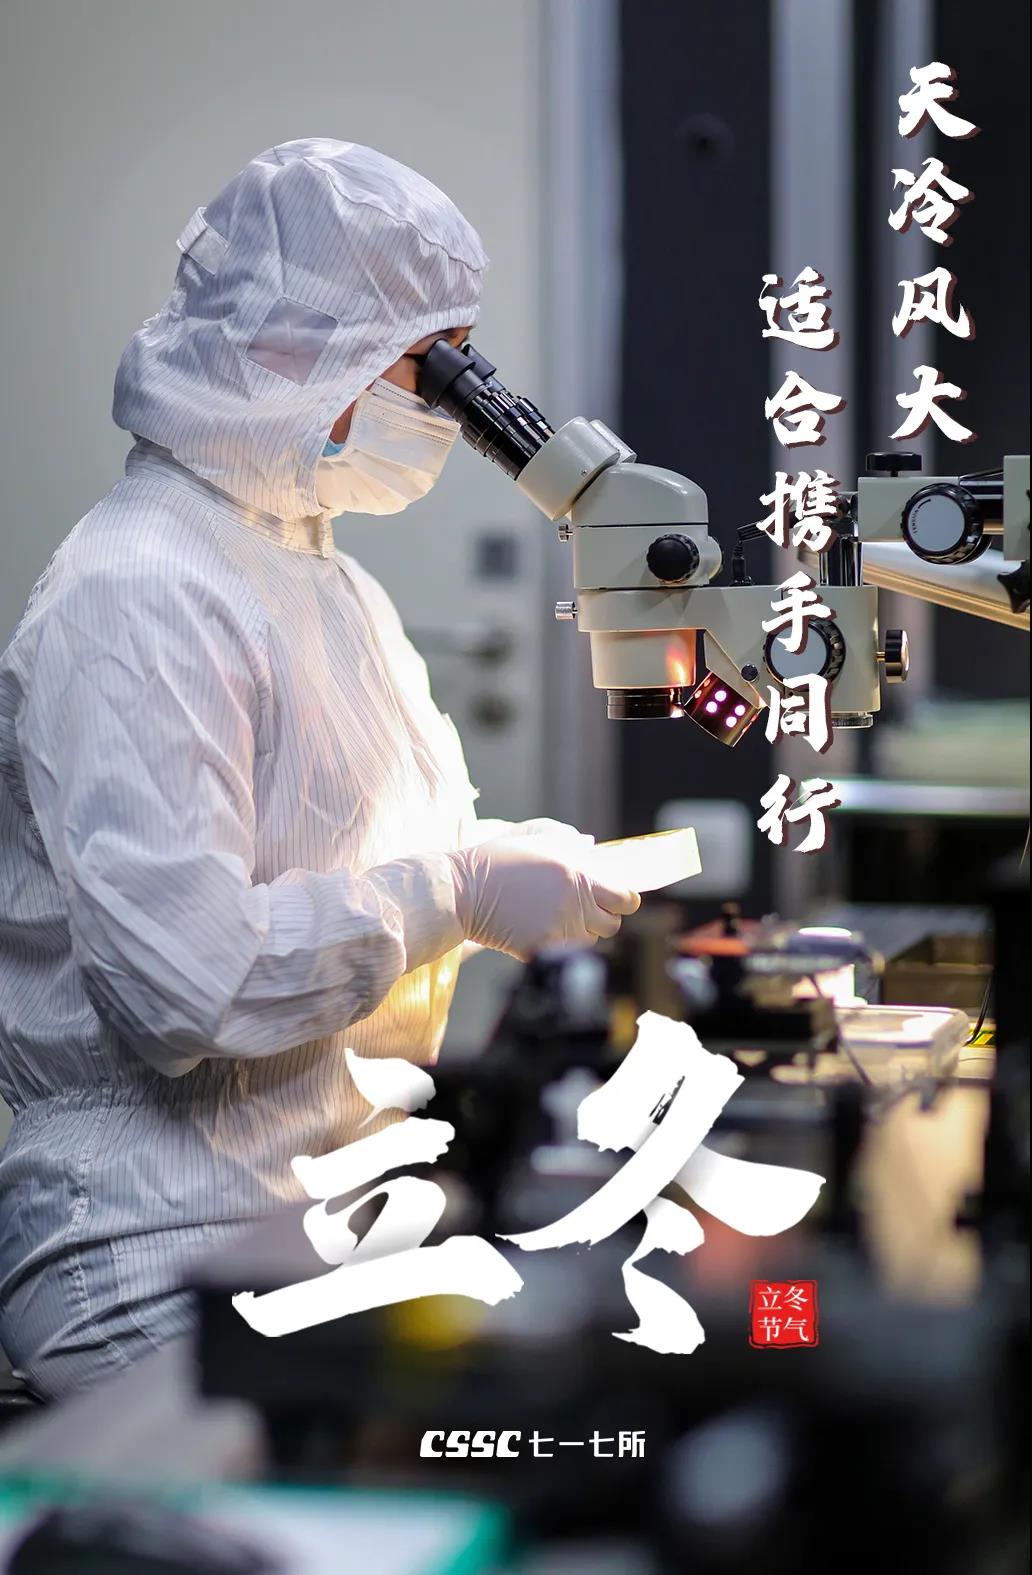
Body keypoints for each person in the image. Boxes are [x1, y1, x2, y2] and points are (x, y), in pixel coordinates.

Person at [0, 139, 639, 1399]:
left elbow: (360, 860)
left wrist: (506, 865)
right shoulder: (139, 590)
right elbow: (185, 982)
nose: (450, 408)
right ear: (297, 351)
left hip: (333, 1199)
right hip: (157, 1238)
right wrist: (456, 890)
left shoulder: (316, 573)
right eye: (432, 365)